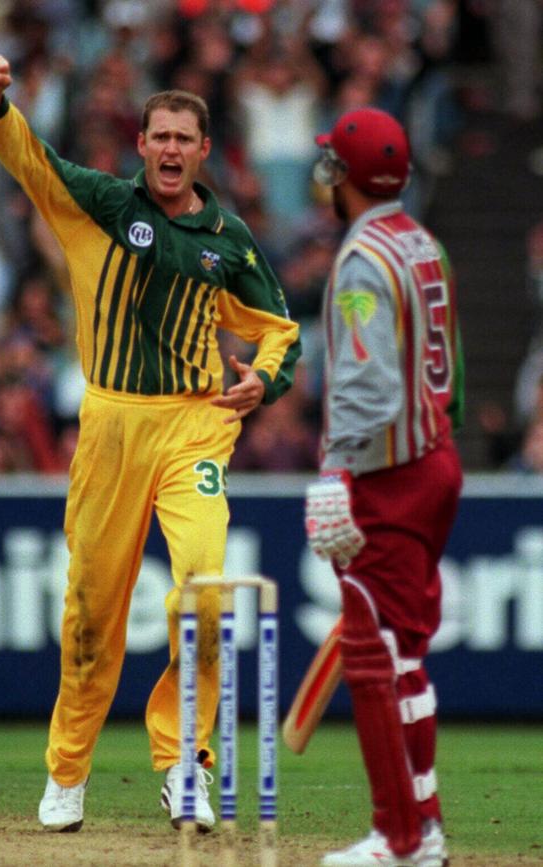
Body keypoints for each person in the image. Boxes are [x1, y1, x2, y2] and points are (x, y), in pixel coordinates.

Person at [0, 54, 301, 834]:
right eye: (160, 136)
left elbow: (279, 328)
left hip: (193, 428)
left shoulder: (229, 239)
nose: (172, 149)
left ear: (205, 149)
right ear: (142, 143)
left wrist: (266, 382)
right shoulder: (101, 202)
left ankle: (187, 761)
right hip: (112, 426)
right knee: (91, 611)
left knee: (207, 593)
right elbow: (31, 159)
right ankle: (68, 771)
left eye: (186, 137)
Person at [304, 107, 463, 867]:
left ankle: (399, 837)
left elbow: (367, 385)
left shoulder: (365, 256)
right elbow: (451, 367)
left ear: (344, 176)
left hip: (388, 474)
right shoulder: (424, 242)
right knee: (406, 655)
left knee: (374, 655)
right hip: (434, 460)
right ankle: (422, 822)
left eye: (331, 163)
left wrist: (336, 469)